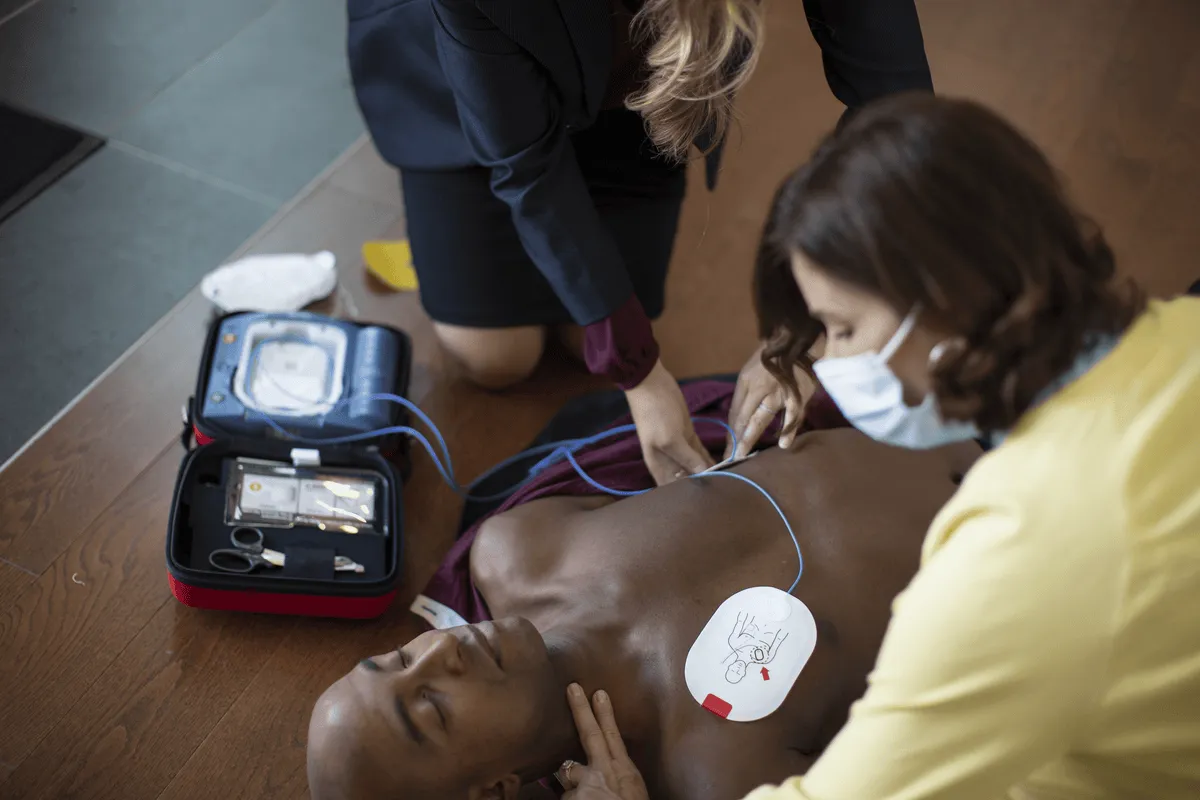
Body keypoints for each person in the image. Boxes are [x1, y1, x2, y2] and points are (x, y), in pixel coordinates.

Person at [574, 93, 1200, 799]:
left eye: (840, 328)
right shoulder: (1184, 332)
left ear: (945, 296)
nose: (828, 361)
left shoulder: (1021, 560)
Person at [346, 0, 935, 485]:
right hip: (462, 83)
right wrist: (639, 375)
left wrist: (807, 321)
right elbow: (527, 168)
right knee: (496, 361)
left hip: (647, 89)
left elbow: (895, 106)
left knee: (585, 343)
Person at [306, 378, 982, 799]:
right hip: (1048, 524)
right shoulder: (715, 773)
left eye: (398, 658)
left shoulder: (519, 550)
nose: (438, 654)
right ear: (494, 793)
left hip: (955, 387)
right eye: (431, 706)